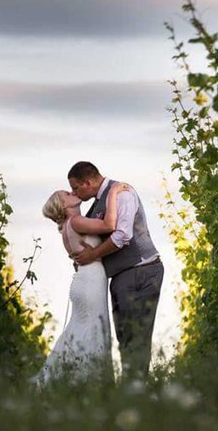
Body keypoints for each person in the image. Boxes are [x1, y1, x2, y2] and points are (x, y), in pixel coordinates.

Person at [68, 161, 164, 379]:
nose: (74, 193)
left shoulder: (122, 193)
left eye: (75, 188)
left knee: (136, 336)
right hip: (122, 274)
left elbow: (122, 236)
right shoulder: (96, 204)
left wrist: (93, 255)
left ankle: (137, 392)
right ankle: (131, 392)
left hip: (141, 269)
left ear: (88, 182)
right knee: (125, 336)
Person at [34, 183, 130, 386]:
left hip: (82, 280)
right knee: (94, 328)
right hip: (91, 281)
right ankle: (88, 382)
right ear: (63, 204)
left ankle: (68, 378)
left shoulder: (67, 227)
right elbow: (109, 225)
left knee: (79, 328)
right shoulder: (76, 221)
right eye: (67, 194)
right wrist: (113, 192)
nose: (72, 193)